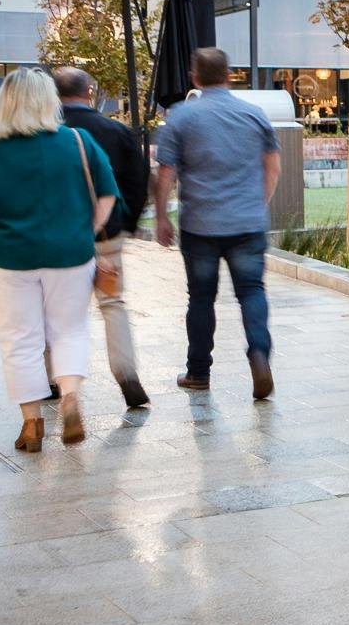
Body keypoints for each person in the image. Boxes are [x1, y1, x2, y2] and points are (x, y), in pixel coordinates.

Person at [0, 68, 117, 451]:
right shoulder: (78, 140)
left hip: (11, 257)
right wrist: (87, 229)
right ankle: (69, 398)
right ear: (49, 102)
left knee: (19, 337)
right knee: (69, 330)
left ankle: (32, 424)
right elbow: (107, 194)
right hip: (71, 254)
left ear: (5, 101)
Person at [152, 48, 279, 400]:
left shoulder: (181, 117)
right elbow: (272, 167)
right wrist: (258, 204)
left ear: (195, 77)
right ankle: (259, 353)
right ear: (229, 75)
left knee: (201, 298)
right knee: (251, 291)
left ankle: (198, 372)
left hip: (200, 225)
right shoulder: (254, 114)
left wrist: (161, 217)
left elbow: (166, 173)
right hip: (247, 223)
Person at [55, 68, 151, 408]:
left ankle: (55, 377)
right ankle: (127, 375)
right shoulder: (116, 131)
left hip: (60, 238)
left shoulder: (44, 132)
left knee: (58, 308)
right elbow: (139, 181)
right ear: (90, 93)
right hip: (108, 235)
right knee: (112, 304)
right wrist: (127, 224)